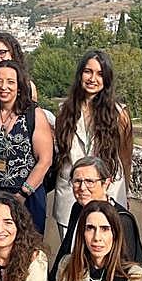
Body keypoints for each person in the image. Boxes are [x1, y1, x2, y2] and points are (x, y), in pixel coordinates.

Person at [51, 50, 132, 238]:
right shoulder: (64, 112)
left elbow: (125, 158)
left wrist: (124, 193)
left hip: (107, 193)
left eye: (100, 73)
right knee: (71, 256)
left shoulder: (119, 115)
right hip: (70, 194)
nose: (93, 78)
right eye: (88, 71)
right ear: (80, 74)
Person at [0, 60, 53, 233]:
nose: (4, 87)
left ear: (20, 86)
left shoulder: (33, 114)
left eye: (10, 82)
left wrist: (23, 194)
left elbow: (45, 160)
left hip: (28, 195)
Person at [50, 156, 142, 281]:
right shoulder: (78, 208)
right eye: (77, 181)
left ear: (106, 184)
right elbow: (67, 248)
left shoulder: (121, 219)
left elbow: (124, 269)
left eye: (90, 181)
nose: (82, 188)